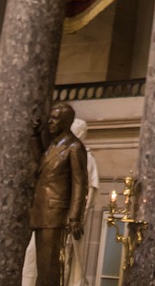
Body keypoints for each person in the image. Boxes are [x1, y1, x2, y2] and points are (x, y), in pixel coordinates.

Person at [23, 117, 99, 286]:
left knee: (56, 263)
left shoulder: (80, 153)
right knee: (34, 257)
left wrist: (75, 218)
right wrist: (35, 136)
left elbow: (84, 189)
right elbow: (41, 161)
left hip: (61, 217)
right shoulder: (55, 150)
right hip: (44, 213)